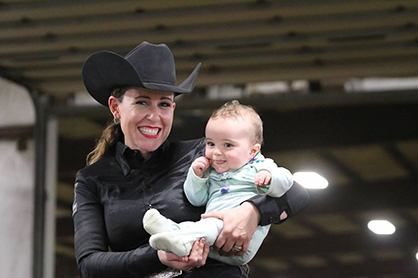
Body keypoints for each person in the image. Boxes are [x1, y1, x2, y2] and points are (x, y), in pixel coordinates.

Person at [73, 41, 310, 278]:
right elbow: (90, 265)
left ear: (173, 108)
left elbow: (296, 192)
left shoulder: (203, 153)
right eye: (142, 102)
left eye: (164, 104)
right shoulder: (91, 180)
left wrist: (252, 212)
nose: (154, 116)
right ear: (115, 107)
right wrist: (158, 256)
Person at [143, 100, 294, 265]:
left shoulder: (261, 167)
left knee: (210, 225)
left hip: (240, 243)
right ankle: (174, 233)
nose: (216, 152)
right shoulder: (214, 173)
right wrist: (197, 177)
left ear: (253, 151)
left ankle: (181, 238)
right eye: (210, 143)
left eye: (228, 145)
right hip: (211, 238)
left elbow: (287, 181)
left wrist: (269, 179)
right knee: (204, 225)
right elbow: (196, 199)